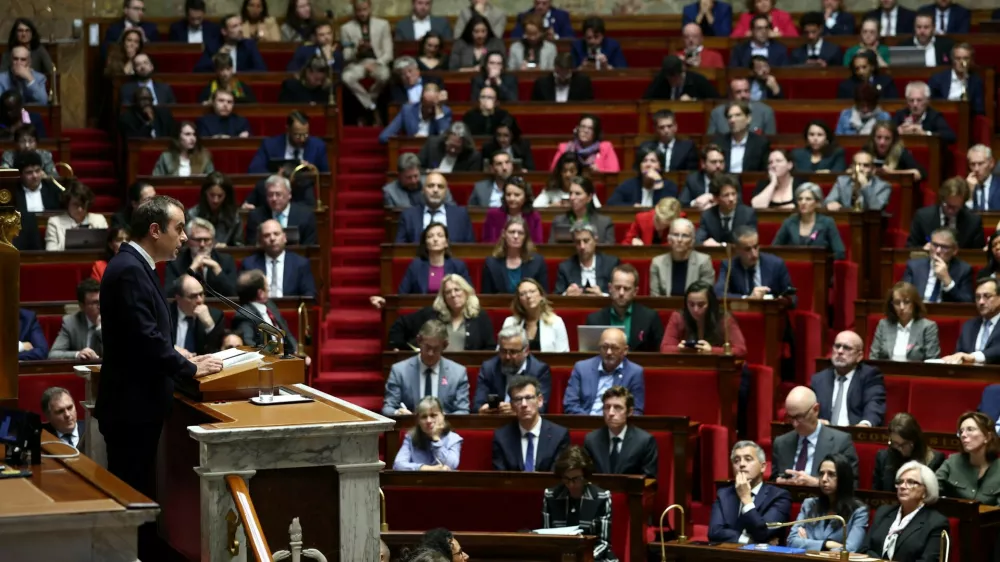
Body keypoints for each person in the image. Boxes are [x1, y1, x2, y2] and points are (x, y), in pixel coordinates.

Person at [95, 196, 223, 558]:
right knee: (133, 501)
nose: (184, 238)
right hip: (131, 408)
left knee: (140, 498)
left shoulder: (135, 265)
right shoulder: (131, 268)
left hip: (136, 405)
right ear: (155, 230)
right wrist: (189, 367)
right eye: (179, 228)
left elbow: (145, 333)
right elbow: (144, 338)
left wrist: (176, 351)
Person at [771, 386, 860, 485]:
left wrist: (817, 483)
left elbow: (851, 486)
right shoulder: (781, 443)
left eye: (799, 417)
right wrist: (779, 482)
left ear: (816, 409)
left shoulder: (841, 442)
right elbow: (773, 480)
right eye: (790, 417)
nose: (795, 424)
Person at [861, 461, 948, 561]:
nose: (902, 486)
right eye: (900, 482)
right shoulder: (883, 512)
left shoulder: (936, 523)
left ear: (925, 491)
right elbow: (864, 549)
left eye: (911, 482)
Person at [542, 446, 618, 562]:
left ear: (585, 476)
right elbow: (547, 538)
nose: (571, 485)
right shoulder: (551, 496)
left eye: (576, 479)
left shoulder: (601, 497)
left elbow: (603, 542)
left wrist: (582, 559)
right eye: (566, 479)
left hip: (594, 558)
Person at [708, 440, 792, 544]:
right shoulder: (723, 494)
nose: (741, 464)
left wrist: (746, 499)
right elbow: (714, 532)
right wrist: (748, 540)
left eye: (748, 459)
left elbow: (763, 533)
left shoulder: (779, 496)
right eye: (736, 460)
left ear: (763, 467)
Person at [386, 273, 496, 351]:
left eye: (457, 290)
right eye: (448, 292)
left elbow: (490, 348)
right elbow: (401, 324)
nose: (453, 295)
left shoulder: (480, 316)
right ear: (444, 297)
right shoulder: (432, 314)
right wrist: (396, 346)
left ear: (466, 292)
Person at [787, 453, 869, 553]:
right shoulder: (809, 504)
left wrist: (806, 542)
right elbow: (791, 541)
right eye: (821, 474)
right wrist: (826, 544)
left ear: (843, 478)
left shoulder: (858, 511)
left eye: (831, 474)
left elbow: (850, 550)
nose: (824, 479)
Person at [492, 375, 569, 471]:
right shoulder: (501, 437)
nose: (524, 404)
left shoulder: (559, 435)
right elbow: (502, 479)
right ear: (512, 405)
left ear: (540, 401)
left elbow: (557, 477)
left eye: (528, 398)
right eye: (518, 399)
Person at [811, 331, 886, 426]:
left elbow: (874, 404)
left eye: (847, 348)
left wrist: (865, 424)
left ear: (859, 356)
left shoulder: (870, 376)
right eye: (837, 346)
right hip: (825, 435)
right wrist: (815, 421)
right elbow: (809, 409)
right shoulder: (819, 379)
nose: (840, 351)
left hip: (854, 433)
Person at [564, 328, 645, 415]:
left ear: (625, 350)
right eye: (605, 347)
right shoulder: (581, 368)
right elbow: (570, 404)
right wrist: (589, 422)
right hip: (584, 423)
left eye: (614, 348)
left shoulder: (634, 372)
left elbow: (636, 410)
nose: (609, 352)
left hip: (616, 425)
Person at [586, 265, 665, 352]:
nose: (621, 293)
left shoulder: (650, 318)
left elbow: (658, 353)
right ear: (610, 288)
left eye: (626, 289)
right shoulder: (594, 320)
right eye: (617, 287)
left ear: (635, 291)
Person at [475, 324, 553, 412]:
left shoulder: (539, 370)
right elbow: (478, 405)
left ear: (526, 351)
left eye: (513, 352)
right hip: (495, 421)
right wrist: (483, 409)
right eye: (503, 351)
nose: (507, 357)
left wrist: (516, 409)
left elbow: (541, 408)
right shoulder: (489, 368)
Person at [584, 386, 657, 478]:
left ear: (629, 412)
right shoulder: (591, 440)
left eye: (617, 408)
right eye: (607, 407)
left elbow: (648, 480)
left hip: (631, 492)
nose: (610, 413)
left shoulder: (645, 441)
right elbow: (586, 477)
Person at [660, 280, 748, 355]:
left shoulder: (724, 319)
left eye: (701, 305)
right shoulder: (678, 317)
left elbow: (741, 350)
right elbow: (664, 348)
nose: (695, 309)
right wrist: (680, 349)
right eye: (691, 304)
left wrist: (712, 351)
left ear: (710, 304)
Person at [339, 0, 393, 121]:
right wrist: (357, 50)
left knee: (385, 75)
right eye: (359, 11)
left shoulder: (383, 25)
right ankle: (371, 106)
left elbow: (388, 53)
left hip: (377, 62)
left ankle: (369, 100)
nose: (362, 13)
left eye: (365, 10)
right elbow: (346, 56)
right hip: (357, 64)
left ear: (370, 8)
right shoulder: (346, 28)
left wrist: (377, 63)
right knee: (346, 77)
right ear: (354, 10)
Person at [715, 226, 796, 305]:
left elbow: (792, 298)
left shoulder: (776, 264)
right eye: (747, 249)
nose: (754, 254)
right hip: (742, 315)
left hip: (771, 314)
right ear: (737, 250)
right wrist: (747, 299)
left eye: (755, 247)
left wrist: (781, 300)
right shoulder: (729, 265)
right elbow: (718, 293)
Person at [935, 411, 1000, 504]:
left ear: (987, 437)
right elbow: (932, 488)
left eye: (970, 429)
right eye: (961, 431)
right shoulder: (952, 461)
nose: (963, 435)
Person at [232, 269, 301, 356]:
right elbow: (249, 346)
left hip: (287, 356)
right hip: (268, 361)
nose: (269, 288)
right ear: (260, 293)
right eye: (267, 286)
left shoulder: (270, 305)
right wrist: (275, 353)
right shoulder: (244, 315)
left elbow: (286, 332)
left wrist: (296, 351)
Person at [242, 220, 316, 298]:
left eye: (276, 234)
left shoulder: (300, 263)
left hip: (290, 308)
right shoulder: (249, 264)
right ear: (261, 241)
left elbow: (309, 295)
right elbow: (244, 296)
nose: (272, 238)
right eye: (267, 235)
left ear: (284, 238)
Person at [164, 218, 238, 296]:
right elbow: (169, 294)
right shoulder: (175, 262)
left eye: (206, 240)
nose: (202, 244)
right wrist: (192, 268)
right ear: (188, 241)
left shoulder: (226, 260)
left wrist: (217, 268)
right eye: (197, 240)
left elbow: (233, 294)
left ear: (213, 241)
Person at [869, 281, 942, 361]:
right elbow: (873, 358)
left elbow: (932, 361)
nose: (902, 307)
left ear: (914, 303)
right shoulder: (884, 325)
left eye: (906, 302)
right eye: (897, 302)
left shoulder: (928, 327)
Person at [873, 413, 946, 492]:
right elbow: (877, 494)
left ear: (915, 440)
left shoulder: (934, 459)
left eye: (904, 444)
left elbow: (932, 495)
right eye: (895, 443)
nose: (900, 449)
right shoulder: (883, 457)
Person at [773, 183, 847, 260]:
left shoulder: (827, 223)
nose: (803, 202)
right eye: (800, 199)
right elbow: (775, 249)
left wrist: (824, 260)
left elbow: (840, 252)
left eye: (808, 199)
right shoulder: (789, 222)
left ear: (817, 203)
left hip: (819, 269)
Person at [395, 172, 475, 243]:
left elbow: (469, 249)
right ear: (423, 190)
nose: (435, 190)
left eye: (440, 187)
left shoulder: (460, 215)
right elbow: (400, 250)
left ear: (446, 192)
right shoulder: (408, 216)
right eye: (430, 186)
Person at [901, 226, 973, 304]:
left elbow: (967, 303)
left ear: (954, 250)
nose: (938, 251)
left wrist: (947, 281)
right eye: (935, 245)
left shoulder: (963, 270)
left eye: (944, 247)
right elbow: (903, 295)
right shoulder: (914, 266)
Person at [907, 178, 982, 250]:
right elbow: (910, 248)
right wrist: (923, 250)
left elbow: (977, 255)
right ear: (942, 199)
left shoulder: (973, 222)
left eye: (955, 207)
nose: (950, 211)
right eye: (948, 205)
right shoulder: (923, 217)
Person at [398, 223, 472, 295]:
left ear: (446, 242)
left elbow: (469, 293)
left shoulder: (458, 266)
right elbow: (402, 294)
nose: (435, 239)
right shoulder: (415, 266)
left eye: (440, 236)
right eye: (430, 236)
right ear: (426, 243)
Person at [481, 216, 548, 294]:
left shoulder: (538, 262)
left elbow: (543, 295)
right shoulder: (491, 263)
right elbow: (486, 297)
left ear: (525, 236)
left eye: (521, 233)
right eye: (512, 232)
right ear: (504, 234)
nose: (516, 236)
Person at [393, 396, 463, 471]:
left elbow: (451, 465)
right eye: (424, 417)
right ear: (418, 421)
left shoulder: (453, 439)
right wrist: (427, 469)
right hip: (417, 481)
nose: (428, 421)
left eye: (433, 415)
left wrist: (436, 439)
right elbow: (398, 465)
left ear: (443, 416)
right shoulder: (410, 438)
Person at [940, 277, 1000, 365]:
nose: (981, 302)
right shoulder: (969, 325)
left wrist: (974, 357)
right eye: (978, 297)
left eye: (987, 296)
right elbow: (960, 353)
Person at [245, 174, 317, 245]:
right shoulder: (256, 216)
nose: (274, 199)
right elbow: (252, 246)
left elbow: (309, 248)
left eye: (278, 194)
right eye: (270, 195)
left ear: (289, 195)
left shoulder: (305, 215)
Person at [247, 111, 330, 173]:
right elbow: (254, 169)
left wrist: (311, 171)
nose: (302, 139)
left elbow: (325, 174)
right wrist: (275, 177)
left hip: (305, 191)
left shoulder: (318, 146)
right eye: (297, 135)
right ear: (288, 130)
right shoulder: (270, 145)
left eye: (305, 135)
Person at [650, 219, 714, 297]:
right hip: (665, 308)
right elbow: (655, 297)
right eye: (675, 235)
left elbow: (706, 296)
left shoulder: (703, 261)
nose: (679, 240)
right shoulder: (657, 263)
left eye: (685, 235)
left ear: (692, 241)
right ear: (669, 239)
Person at [502, 280, 569, 352]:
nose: (528, 296)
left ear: (541, 295)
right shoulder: (510, 322)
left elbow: (563, 353)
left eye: (532, 291)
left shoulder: (556, 322)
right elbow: (501, 352)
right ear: (519, 300)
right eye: (523, 294)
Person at [555, 222, 619, 296]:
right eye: (578, 242)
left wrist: (602, 296)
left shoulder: (611, 264)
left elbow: (619, 294)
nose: (582, 246)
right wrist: (566, 295)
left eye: (586, 241)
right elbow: (557, 297)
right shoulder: (565, 267)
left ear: (595, 240)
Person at [169, 274, 225, 356]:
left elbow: (217, 351)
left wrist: (210, 326)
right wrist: (172, 349)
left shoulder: (215, 316)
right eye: (193, 296)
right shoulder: (164, 313)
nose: (199, 300)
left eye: (201, 294)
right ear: (178, 298)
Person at [44, 180, 110, 251]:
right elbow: (50, 252)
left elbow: (108, 249)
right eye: (75, 204)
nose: (80, 209)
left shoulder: (99, 220)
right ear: (67, 203)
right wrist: (71, 238)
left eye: (83, 204)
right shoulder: (54, 222)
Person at [378, 83, 451, 144]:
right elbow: (384, 137)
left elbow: (446, 139)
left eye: (432, 106)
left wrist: (438, 108)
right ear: (421, 101)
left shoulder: (445, 112)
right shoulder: (407, 111)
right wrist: (411, 141)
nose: (429, 110)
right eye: (426, 105)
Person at [48, 279, 103, 360]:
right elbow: (53, 355)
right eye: (95, 303)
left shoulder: (114, 320)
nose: (100, 306)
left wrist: (100, 329)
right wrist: (77, 354)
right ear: (82, 306)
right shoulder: (71, 322)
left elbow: (118, 355)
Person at [548, 177, 615, 244]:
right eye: (570, 193)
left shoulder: (604, 223)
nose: (572, 198)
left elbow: (608, 252)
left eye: (577, 194)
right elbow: (552, 251)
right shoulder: (558, 221)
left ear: (589, 198)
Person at [606, 145, 678, 207]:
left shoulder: (669, 186)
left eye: (653, 161)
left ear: (660, 166)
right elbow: (611, 203)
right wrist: (633, 206)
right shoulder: (629, 184)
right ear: (639, 166)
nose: (648, 165)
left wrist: (658, 184)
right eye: (644, 161)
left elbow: (667, 210)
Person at [696, 175, 758, 246]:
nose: (731, 199)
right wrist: (705, 243)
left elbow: (752, 241)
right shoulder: (707, 215)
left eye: (733, 194)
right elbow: (698, 240)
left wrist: (721, 245)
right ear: (716, 198)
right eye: (726, 195)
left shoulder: (748, 214)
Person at [193, 14, 267, 73]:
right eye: (235, 26)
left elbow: (261, 70)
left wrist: (234, 75)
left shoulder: (249, 45)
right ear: (224, 31)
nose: (240, 29)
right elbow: (198, 71)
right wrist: (215, 58)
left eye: (240, 25)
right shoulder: (213, 45)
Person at [824, 150, 892, 211]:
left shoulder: (883, 186)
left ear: (873, 170)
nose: (861, 169)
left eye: (866, 165)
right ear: (851, 167)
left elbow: (875, 209)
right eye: (857, 165)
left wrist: (865, 185)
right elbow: (828, 201)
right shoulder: (842, 182)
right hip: (847, 220)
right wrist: (830, 203)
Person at [550, 114, 621, 173]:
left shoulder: (605, 148)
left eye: (590, 128)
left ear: (595, 133)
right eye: (583, 127)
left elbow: (614, 172)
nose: (586, 131)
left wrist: (599, 171)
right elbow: (553, 171)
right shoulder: (565, 148)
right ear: (577, 129)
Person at [186, 172, 241, 247]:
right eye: (212, 195)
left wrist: (227, 249)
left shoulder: (234, 217)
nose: (215, 200)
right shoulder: (192, 215)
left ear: (226, 195)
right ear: (205, 193)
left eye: (220, 196)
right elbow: (186, 245)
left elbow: (239, 247)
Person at [929, 43, 984, 116]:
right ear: (952, 60)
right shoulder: (938, 79)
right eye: (958, 58)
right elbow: (930, 104)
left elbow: (979, 108)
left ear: (971, 61)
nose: (962, 62)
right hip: (941, 117)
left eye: (965, 58)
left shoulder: (976, 81)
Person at [482, 176, 542, 243]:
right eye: (508, 194)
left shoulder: (533, 216)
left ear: (526, 197)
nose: (512, 198)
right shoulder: (493, 214)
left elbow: (537, 243)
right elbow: (487, 243)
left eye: (517, 195)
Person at [708, 78, 776, 136]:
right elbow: (710, 140)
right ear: (730, 94)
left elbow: (771, 140)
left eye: (746, 91)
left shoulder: (765, 111)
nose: (743, 95)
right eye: (738, 92)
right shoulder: (717, 113)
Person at [383, 153, 455, 208]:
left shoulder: (435, 182)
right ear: (399, 176)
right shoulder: (390, 192)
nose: (413, 181)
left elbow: (452, 208)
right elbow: (392, 221)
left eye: (416, 176)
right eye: (409, 177)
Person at [716, 102, 769, 173]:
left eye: (737, 115)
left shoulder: (760, 144)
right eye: (729, 117)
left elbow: (763, 173)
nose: (732, 120)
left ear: (748, 119)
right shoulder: (719, 143)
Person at [644, 55, 718, 101]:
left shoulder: (698, 80)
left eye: (675, 77)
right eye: (669, 78)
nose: (672, 81)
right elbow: (646, 101)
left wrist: (694, 101)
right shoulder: (660, 80)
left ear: (682, 72)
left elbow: (716, 101)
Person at [417, 122, 482, 172]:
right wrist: (429, 172)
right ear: (445, 140)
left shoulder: (472, 157)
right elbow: (417, 167)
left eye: (457, 148)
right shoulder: (432, 145)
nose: (453, 150)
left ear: (464, 146)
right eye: (450, 145)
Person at [681, 145, 728, 209]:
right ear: (703, 164)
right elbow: (682, 203)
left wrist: (718, 201)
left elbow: (738, 204)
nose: (718, 166)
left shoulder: (731, 180)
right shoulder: (693, 180)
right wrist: (695, 203)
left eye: (721, 162)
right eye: (713, 162)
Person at [731, 0, 798, 37]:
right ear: (753, 4)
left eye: (766, 0)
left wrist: (779, 35)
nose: (764, 3)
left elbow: (794, 38)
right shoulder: (746, 17)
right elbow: (734, 38)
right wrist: (748, 34)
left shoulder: (783, 16)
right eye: (759, 1)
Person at [966, 145, 1000, 211]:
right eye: (972, 164)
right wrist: (970, 194)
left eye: (980, 163)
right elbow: (964, 218)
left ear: (991, 163)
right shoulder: (964, 187)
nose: (976, 169)